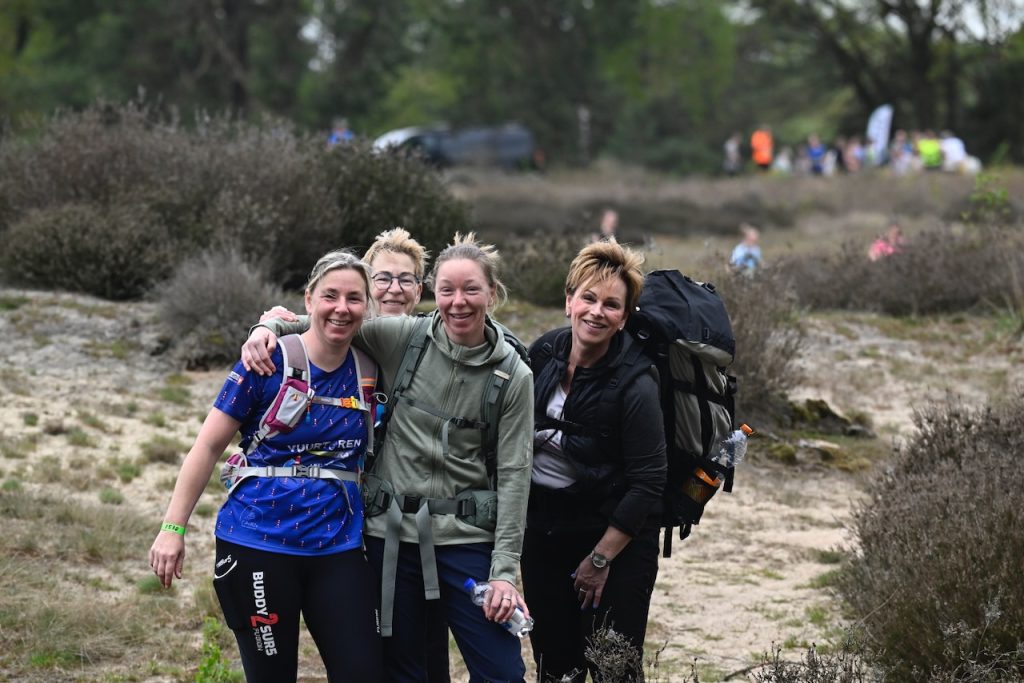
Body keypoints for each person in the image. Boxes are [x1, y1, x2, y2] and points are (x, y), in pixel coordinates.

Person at [242, 233, 535, 683]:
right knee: (402, 672)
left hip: (465, 540)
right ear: (433, 293)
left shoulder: (513, 374)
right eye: (447, 290)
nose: (458, 302)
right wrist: (265, 329)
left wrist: (505, 573)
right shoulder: (404, 337)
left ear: (492, 293)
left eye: (471, 289)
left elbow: (515, 474)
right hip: (391, 539)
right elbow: (327, 322)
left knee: (503, 673)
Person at [149, 250, 383, 683]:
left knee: (364, 673)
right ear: (308, 299)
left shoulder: (370, 367)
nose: (341, 308)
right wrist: (172, 528)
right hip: (258, 543)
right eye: (330, 295)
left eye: (354, 298)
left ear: (366, 306)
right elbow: (207, 446)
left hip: (339, 548)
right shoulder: (264, 361)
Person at [522, 239, 667, 682]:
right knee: (554, 667)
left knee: (612, 668)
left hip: (615, 541)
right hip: (545, 532)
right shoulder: (543, 353)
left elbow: (649, 481)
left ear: (624, 317)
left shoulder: (636, 383)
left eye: (611, 304)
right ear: (569, 301)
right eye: (588, 298)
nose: (596, 312)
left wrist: (600, 559)